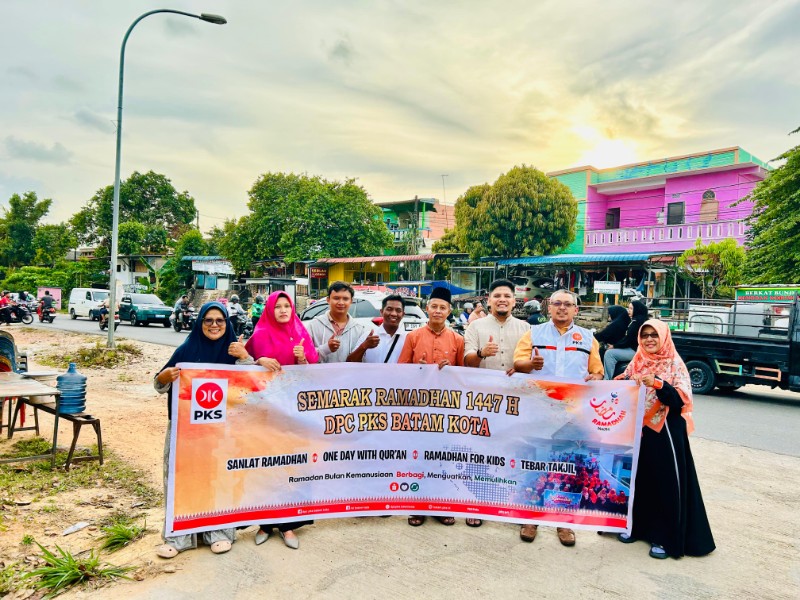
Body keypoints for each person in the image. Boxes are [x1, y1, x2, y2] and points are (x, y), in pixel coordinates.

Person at [153, 302, 250, 558]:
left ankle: (219, 533)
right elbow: (159, 382)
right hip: (186, 430)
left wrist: (245, 357)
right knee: (182, 477)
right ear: (200, 323)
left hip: (223, 430)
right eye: (208, 320)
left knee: (219, 477)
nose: (214, 325)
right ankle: (179, 536)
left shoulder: (234, 351)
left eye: (220, 320)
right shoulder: (186, 350)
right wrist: (163, 378)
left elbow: (253, 384)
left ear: (227, 323)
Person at [615, 319, 715, 559]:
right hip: (639, 430)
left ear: (664, 337)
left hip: (665, 431)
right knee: (638, 478)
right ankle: (636, 527)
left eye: (654, 335)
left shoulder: (674, 363)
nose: (649, 339)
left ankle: (663, 537)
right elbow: (621, 385)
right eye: (645, 335)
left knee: (664, 482)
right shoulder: (637, 360)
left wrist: (659, 384)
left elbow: (680, 400)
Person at [513, 289, 603, 547]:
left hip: (572, 415)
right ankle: (530, 519)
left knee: (568, 470)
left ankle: (564, 523)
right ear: (548, 308)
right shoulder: (534, 334)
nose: (562, 308)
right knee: (535, 466)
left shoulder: (588, 338)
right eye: (557, 304)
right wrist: (531, 365)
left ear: (576, 309)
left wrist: (595, 377)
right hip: (540, 410)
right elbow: (518, 363)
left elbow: (597, 372)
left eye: (567, 304)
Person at [245, 291, 318, 549]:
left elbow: (313, 370)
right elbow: (241, 366)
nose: (284, 310)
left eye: (287, 306)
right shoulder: (260, 334)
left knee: (292, 465)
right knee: (266, 465)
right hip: (266, 411)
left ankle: (288, 525)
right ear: (269, 309)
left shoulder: (300, 331)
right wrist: (259, 360)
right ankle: (265, 523)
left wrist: (302, 358)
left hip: (294, 411)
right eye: (278, 306)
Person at [464, 279, 530, 528]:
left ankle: (514, 504)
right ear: (488, 300)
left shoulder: (526, 328)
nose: (502, 299)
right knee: (480, 451)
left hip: (515, 400)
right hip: (483, 399)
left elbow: (530, 362)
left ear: (514, 301)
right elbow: (467, 361)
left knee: (514, 450)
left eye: (507, 296)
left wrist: (523, 367)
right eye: (497, 296)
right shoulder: (475, 327)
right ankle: (476, 504)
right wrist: (482, 353)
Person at [398, 286, 465, 527]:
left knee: (443, 458)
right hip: (418, 408)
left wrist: (451, 371)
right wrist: (418, 369)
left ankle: (441, 505)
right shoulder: (413, 337)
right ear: (427, 308)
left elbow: (463, 376)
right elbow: (400, 371)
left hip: (445, 410)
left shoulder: (458, 340)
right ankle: (417, 506)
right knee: (417, 457)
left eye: (442, 307)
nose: (437, 311)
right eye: (434, 306)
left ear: (449, 311)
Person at [305, 282, 367, 363]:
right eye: (336, 298)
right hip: (320, 372)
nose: (341, 303)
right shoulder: (314, 325)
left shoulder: (359, 329)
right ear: (328, 300)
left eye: (345, 299)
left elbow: (362, 359)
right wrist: (326, 348)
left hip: (349, 372)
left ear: (351, 301)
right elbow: (305, 354)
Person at [348, 294, 407, 364]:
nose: (394, 314)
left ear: (403, 314)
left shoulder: (407, 339)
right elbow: (350, 362)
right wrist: (364, 346)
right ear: (381, 312)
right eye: (389, 309)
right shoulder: (368, 336)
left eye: (398, 310)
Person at [604, 300, 648, 379]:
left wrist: (614, 346)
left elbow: (628, 340)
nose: (628, 311)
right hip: (636, 349)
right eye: (628, 308)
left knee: (609, 354)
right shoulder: (640, 320)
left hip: (635, 351)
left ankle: (607, 379)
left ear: (637, 309)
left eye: (631, 308)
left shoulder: (636, 322)